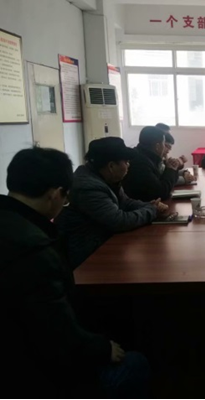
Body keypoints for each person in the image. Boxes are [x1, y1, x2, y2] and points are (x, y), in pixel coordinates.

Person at [0, 147, 150, 398]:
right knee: (136, 362)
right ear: (55, 194)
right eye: (65, 198)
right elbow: (53, 331)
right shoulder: (34, 251)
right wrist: (102, 348)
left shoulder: (12, 224)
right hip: (30, 375)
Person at [55, 137, 166, 269]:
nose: (128, 165)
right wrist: (152, 210)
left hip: (101, 243)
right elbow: (119, 221)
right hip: (86, 258)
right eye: (126, 162)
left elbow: (125, 202)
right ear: (111, 166)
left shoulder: (104, 177)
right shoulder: (88, 187)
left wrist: (149, 206)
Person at [122, 126, 182, 201]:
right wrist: (170, 170)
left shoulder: (147, 157)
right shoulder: (141, 163)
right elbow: (161, 193)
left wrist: (172, 169)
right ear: (157, 146)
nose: (164, 148)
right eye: (164, 144)